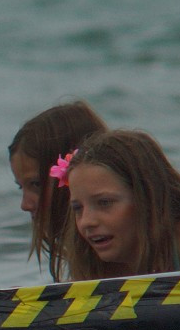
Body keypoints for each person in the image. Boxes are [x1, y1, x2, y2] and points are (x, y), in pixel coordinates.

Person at [53, 129, 180, 280]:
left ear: (148, 198)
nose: (86, 222)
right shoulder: (96, 268)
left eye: (104, 203)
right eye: (77, 208)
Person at [8, 100, 108, 280]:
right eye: (21, 187)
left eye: (36, 184)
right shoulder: (88, 254)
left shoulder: (120, 248)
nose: (25, 205)